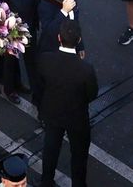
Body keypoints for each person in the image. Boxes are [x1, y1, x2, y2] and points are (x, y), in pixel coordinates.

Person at [36, 21, 96, 187]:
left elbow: (40, 85)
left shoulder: (46, 59)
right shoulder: (86, 69)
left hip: (52, 112)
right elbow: (92, 94)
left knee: (51, 148)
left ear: (59, 38)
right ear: (79, 40)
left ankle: (46, 181)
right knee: (79, 155)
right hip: (77, 117)